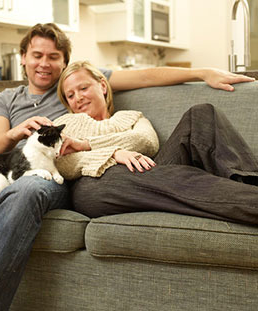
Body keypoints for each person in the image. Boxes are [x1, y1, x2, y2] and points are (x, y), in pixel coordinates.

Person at [0, 23, 255, 311]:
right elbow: (4, 147)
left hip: (55, 175)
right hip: (16, 169)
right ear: (24, 58)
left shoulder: (100, 112)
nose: (45, 64)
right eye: (37, 56)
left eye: (53, 57)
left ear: (72, 66)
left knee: (201, 115)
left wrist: (201, 71)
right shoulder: (21, 104)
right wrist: (23, 131)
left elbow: (146, 93)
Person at [54, 60, 258, 226]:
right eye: (70, 95)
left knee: (202, 114)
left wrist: (87, 144)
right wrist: (113, 154)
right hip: (99, 183)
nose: (78, 98)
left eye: (83, 88)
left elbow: (146, 142)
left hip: (149, 175)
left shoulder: (130, 116)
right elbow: (63, 162)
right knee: (172, 179)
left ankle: (249, 184)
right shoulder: (65, 123)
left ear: (102, 85)